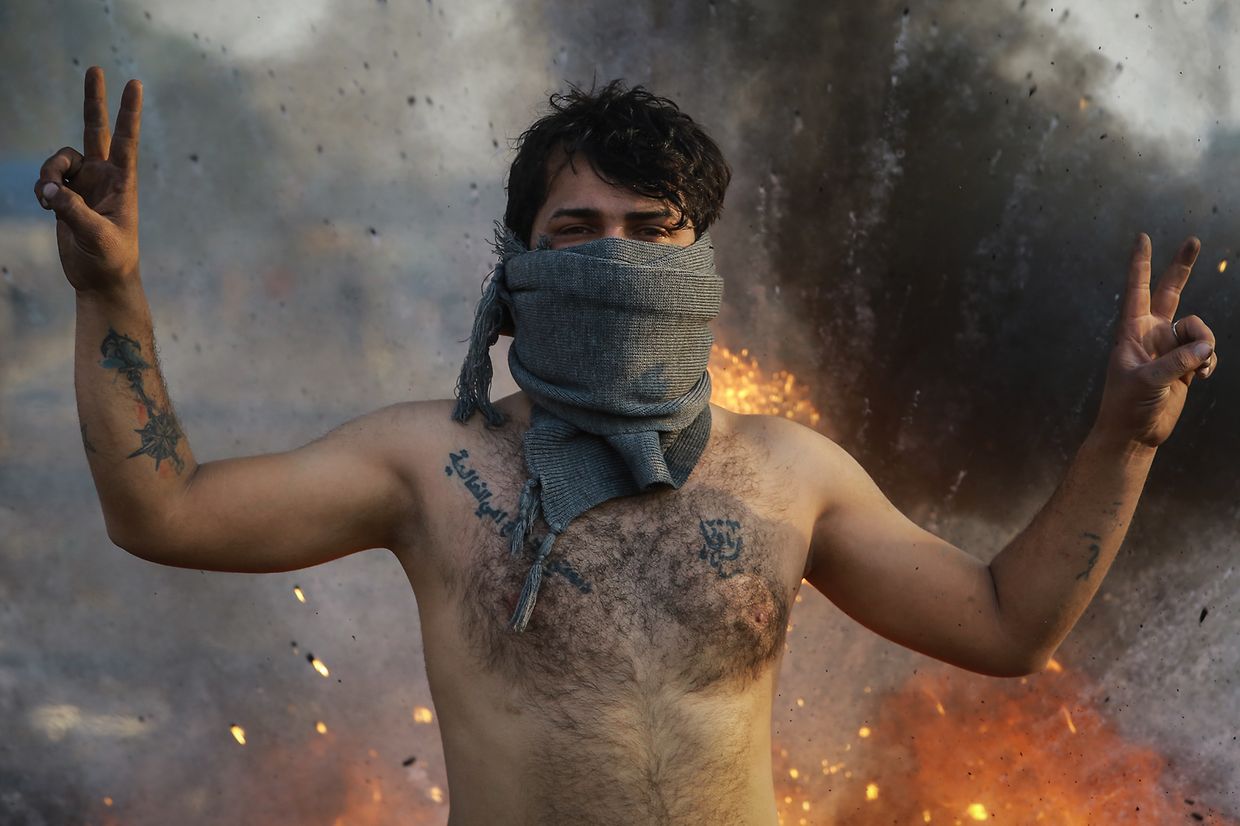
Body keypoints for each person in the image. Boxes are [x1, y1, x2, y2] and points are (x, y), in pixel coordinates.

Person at [36, 67, 1219, 825]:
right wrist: (114, 292)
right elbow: (165, 512)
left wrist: (1124, 433)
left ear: (698, 261)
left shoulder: (789, 472)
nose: (616, 259)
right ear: (520, 263)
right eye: (578, 230)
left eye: (652, 232)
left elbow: (1006, 623)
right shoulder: (427, 467)